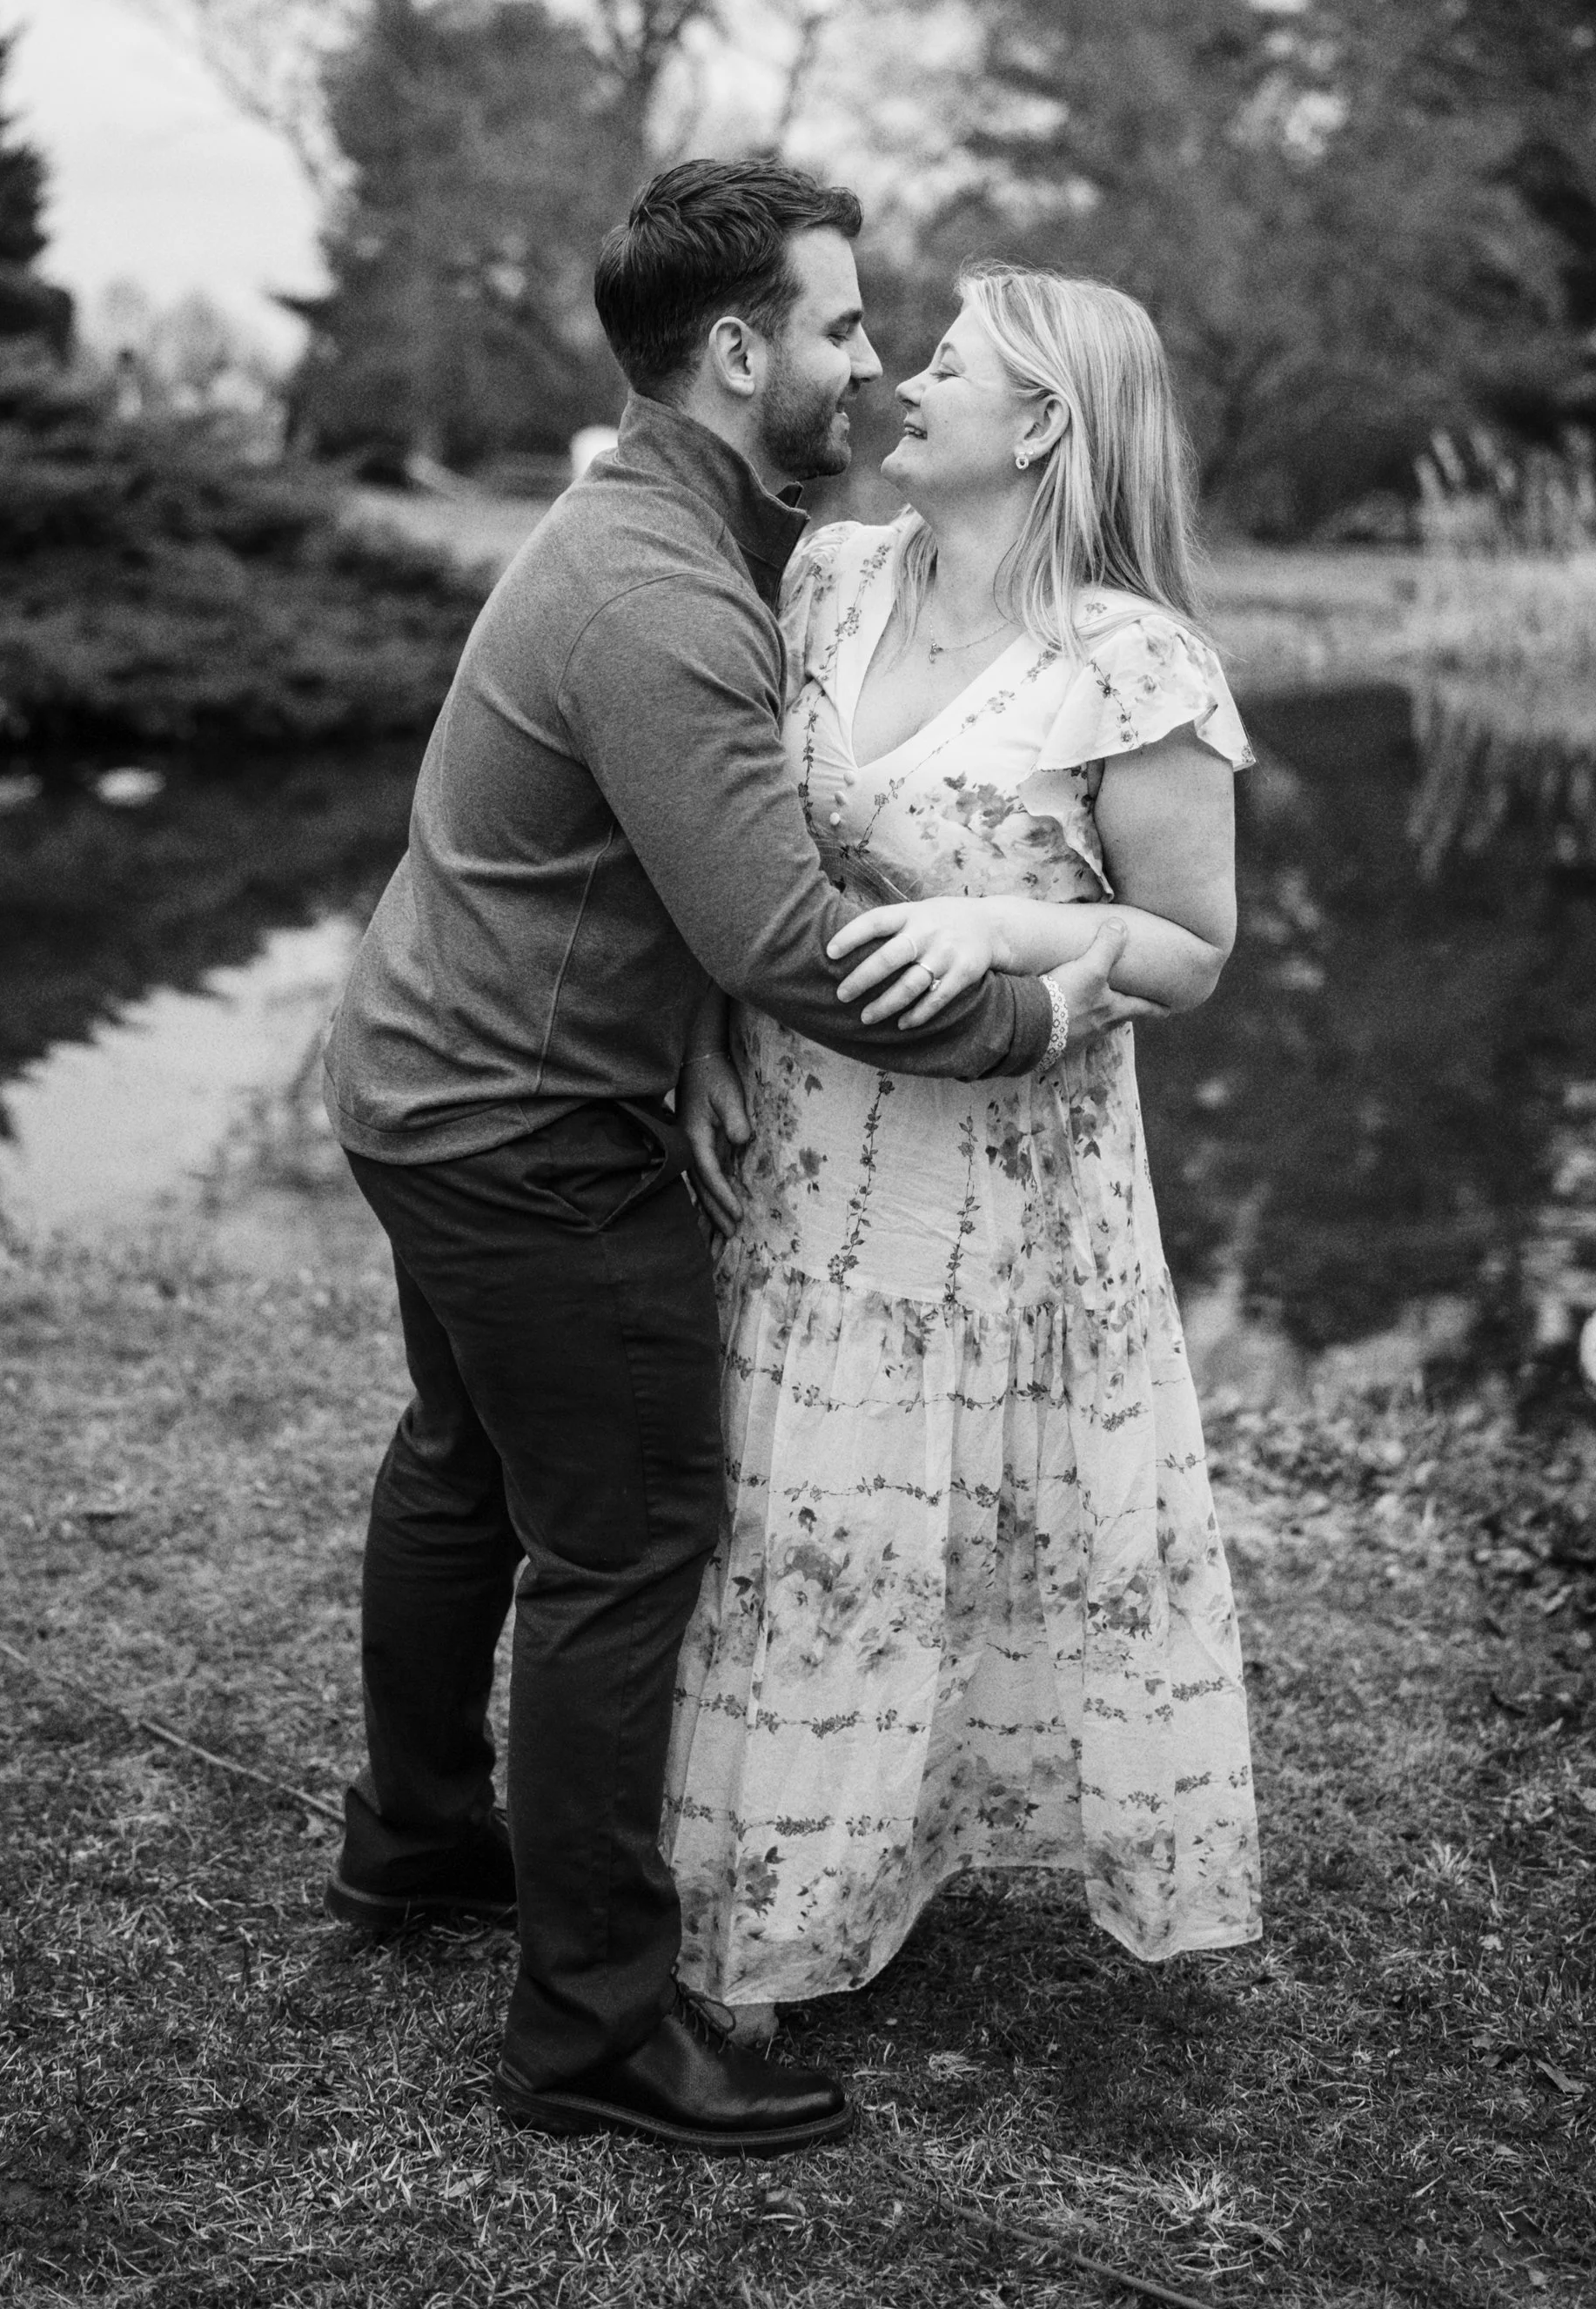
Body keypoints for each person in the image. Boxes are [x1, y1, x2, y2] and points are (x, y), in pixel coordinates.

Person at [319, 164, 1146, 2158]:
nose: (869, 363)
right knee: (621, 1540)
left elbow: (699, 914)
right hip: (518, 1123)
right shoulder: (661, 595)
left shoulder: (668, 533)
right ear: (739, 349)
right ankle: (592, 2035)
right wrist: (1041, 1015)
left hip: (427, 1075)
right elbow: (780, 940)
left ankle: (422, 1839)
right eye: (846, 327)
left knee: (461, 1460)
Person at [666, 264, 1260, 2030]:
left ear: (1043, 425)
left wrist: (1011, 931)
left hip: (1007, 1184)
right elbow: (744, 849)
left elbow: (1192, 951)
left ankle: (886, 1854)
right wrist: (707, 1025)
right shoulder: (834, 575)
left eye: (944, 366)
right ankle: (754, 1901)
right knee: (794, 1520)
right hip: (802, 1138)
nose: (898, 385)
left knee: (929, 1521)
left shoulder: (1130, 665)